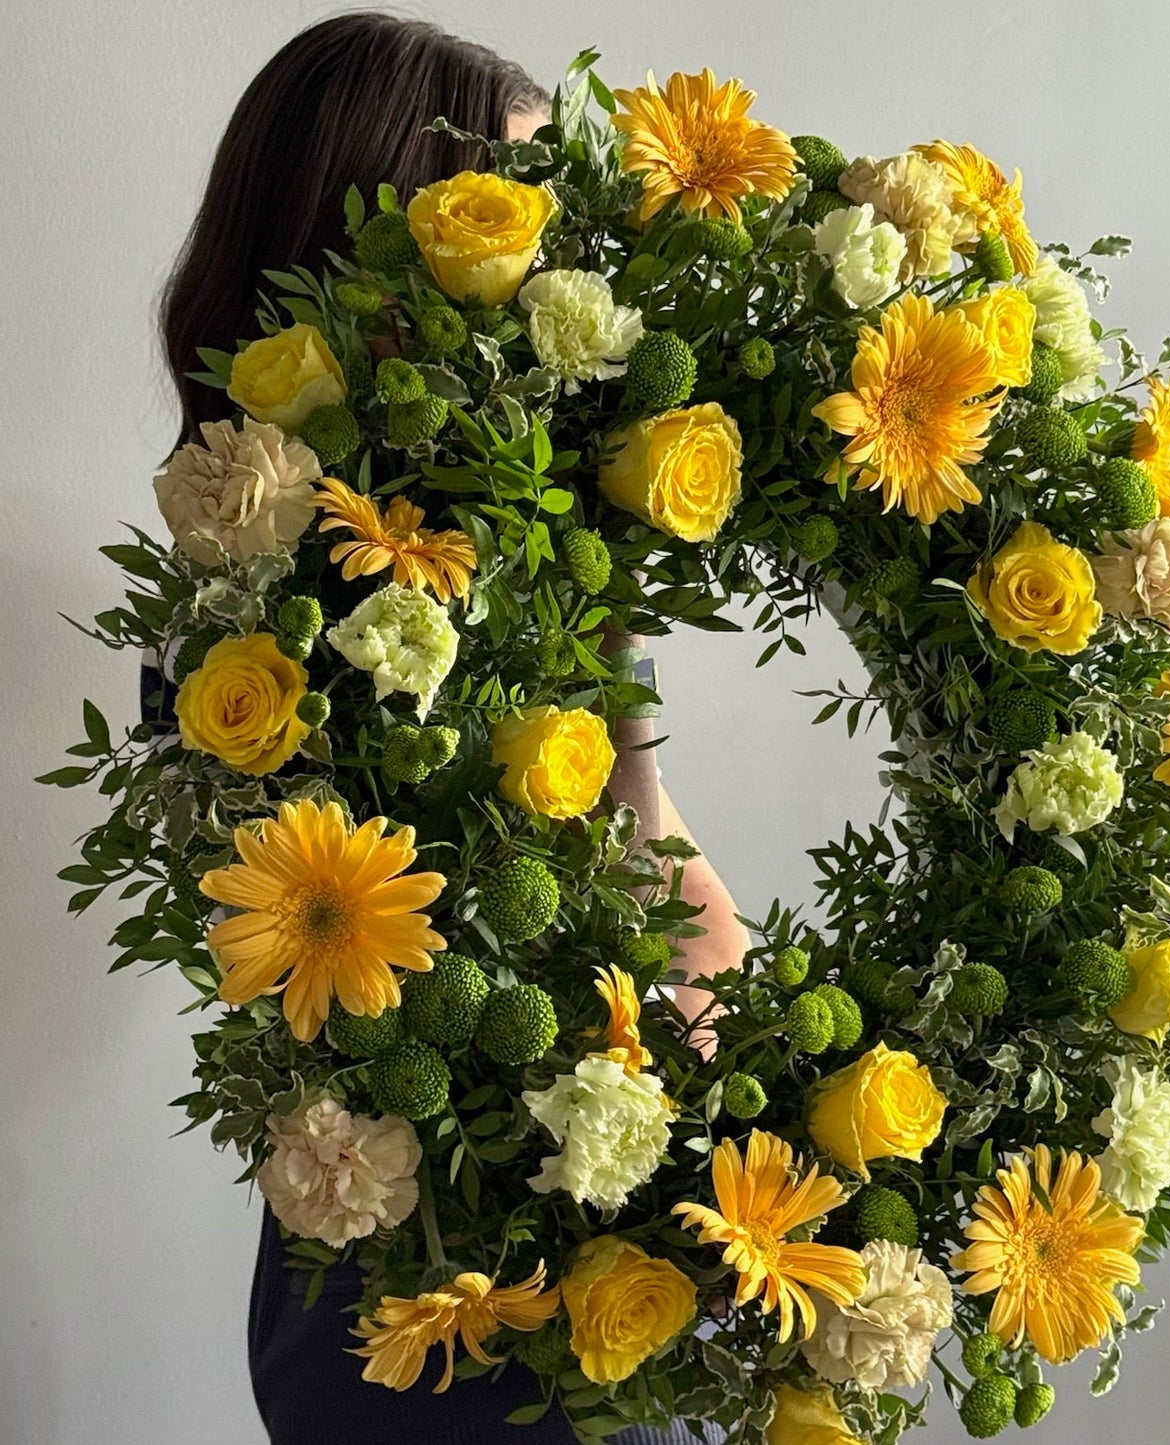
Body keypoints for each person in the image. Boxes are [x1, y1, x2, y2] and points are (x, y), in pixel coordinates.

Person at [156, 14, 749, 1442]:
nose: (557, 277)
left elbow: (651, 859)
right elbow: (377, 1002)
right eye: (509, 228)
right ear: (371, 252)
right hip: (424, 1293)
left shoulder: (547, 553)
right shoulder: (249, 628)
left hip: (605, 1271)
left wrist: (750, 1086)